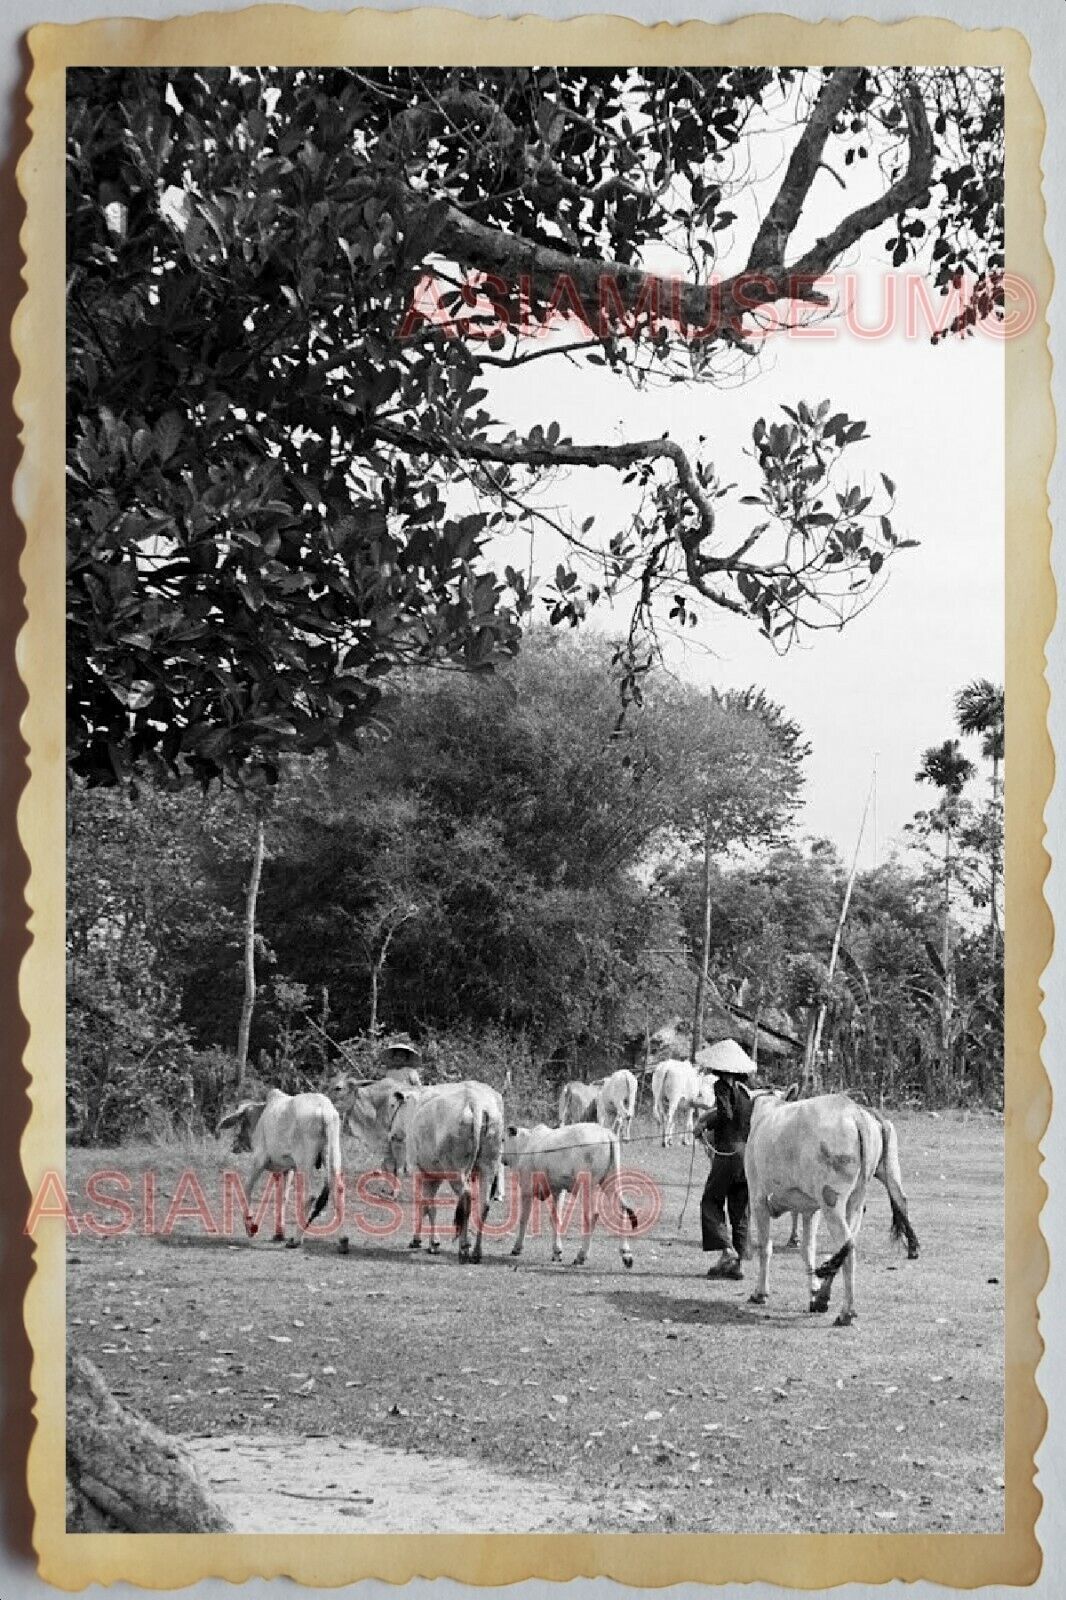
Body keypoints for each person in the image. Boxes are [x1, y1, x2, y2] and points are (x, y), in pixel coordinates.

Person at [692, 1045, 759, 1280]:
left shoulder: (721, 1085)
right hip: (746, 1157)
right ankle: (737, 1264)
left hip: (727, 1155)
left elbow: (725, 1114)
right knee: (740, 1209)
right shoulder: (746, 1091)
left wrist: (704, 1123)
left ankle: (726, 1250)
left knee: (710, 1201)